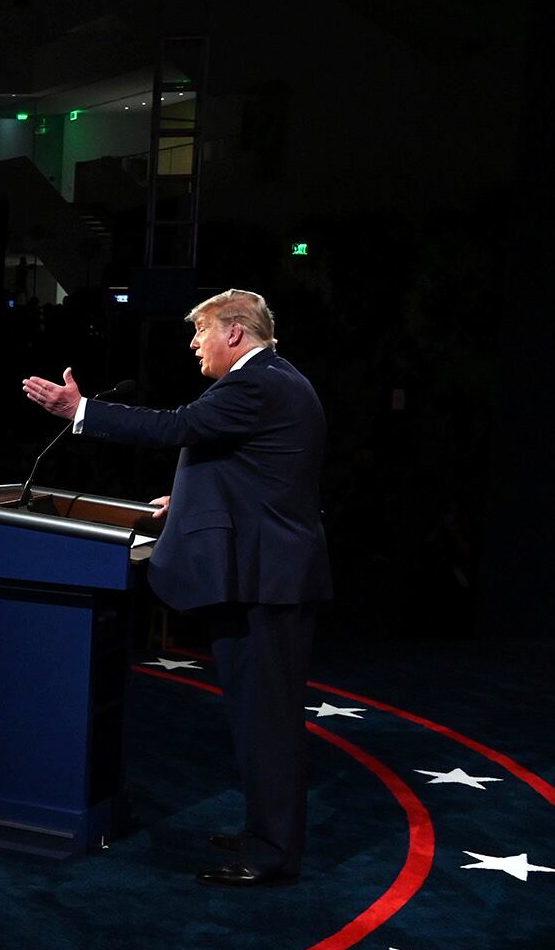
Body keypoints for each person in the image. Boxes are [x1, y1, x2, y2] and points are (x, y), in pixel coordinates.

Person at [22, 288, 330, 889]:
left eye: (201, 332)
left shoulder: (256, 383)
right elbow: (256, 472)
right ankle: (265, 831)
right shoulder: (275, 379)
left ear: (234, 333)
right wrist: (185, 500)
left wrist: (81, 411)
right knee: (255, 717)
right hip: (262, 574)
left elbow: (180, 427)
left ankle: (273, 852)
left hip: (268, 581)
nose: (194, 344)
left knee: (267, 720)